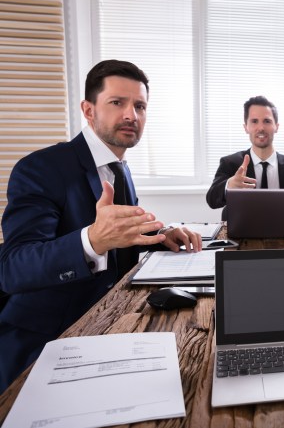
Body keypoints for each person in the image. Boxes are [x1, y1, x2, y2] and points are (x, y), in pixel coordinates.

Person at [0, 59, 202, 393]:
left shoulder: (118, 168)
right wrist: (91, 240)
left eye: (139, 106)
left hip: (111, 326)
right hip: (48, 342)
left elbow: (117, 238)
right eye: (117, 103)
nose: (131, 115)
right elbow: (13, 268)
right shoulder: (42, 168)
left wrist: (159, 235)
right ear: (88, 109)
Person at [205, 95, 284, 225]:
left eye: (267, 121)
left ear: (276, 126)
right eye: (254, 121)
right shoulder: (230, 163)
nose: (261, 128)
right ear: (245, 127)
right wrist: (229, 186)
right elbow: (212, 200)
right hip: (241, 238)